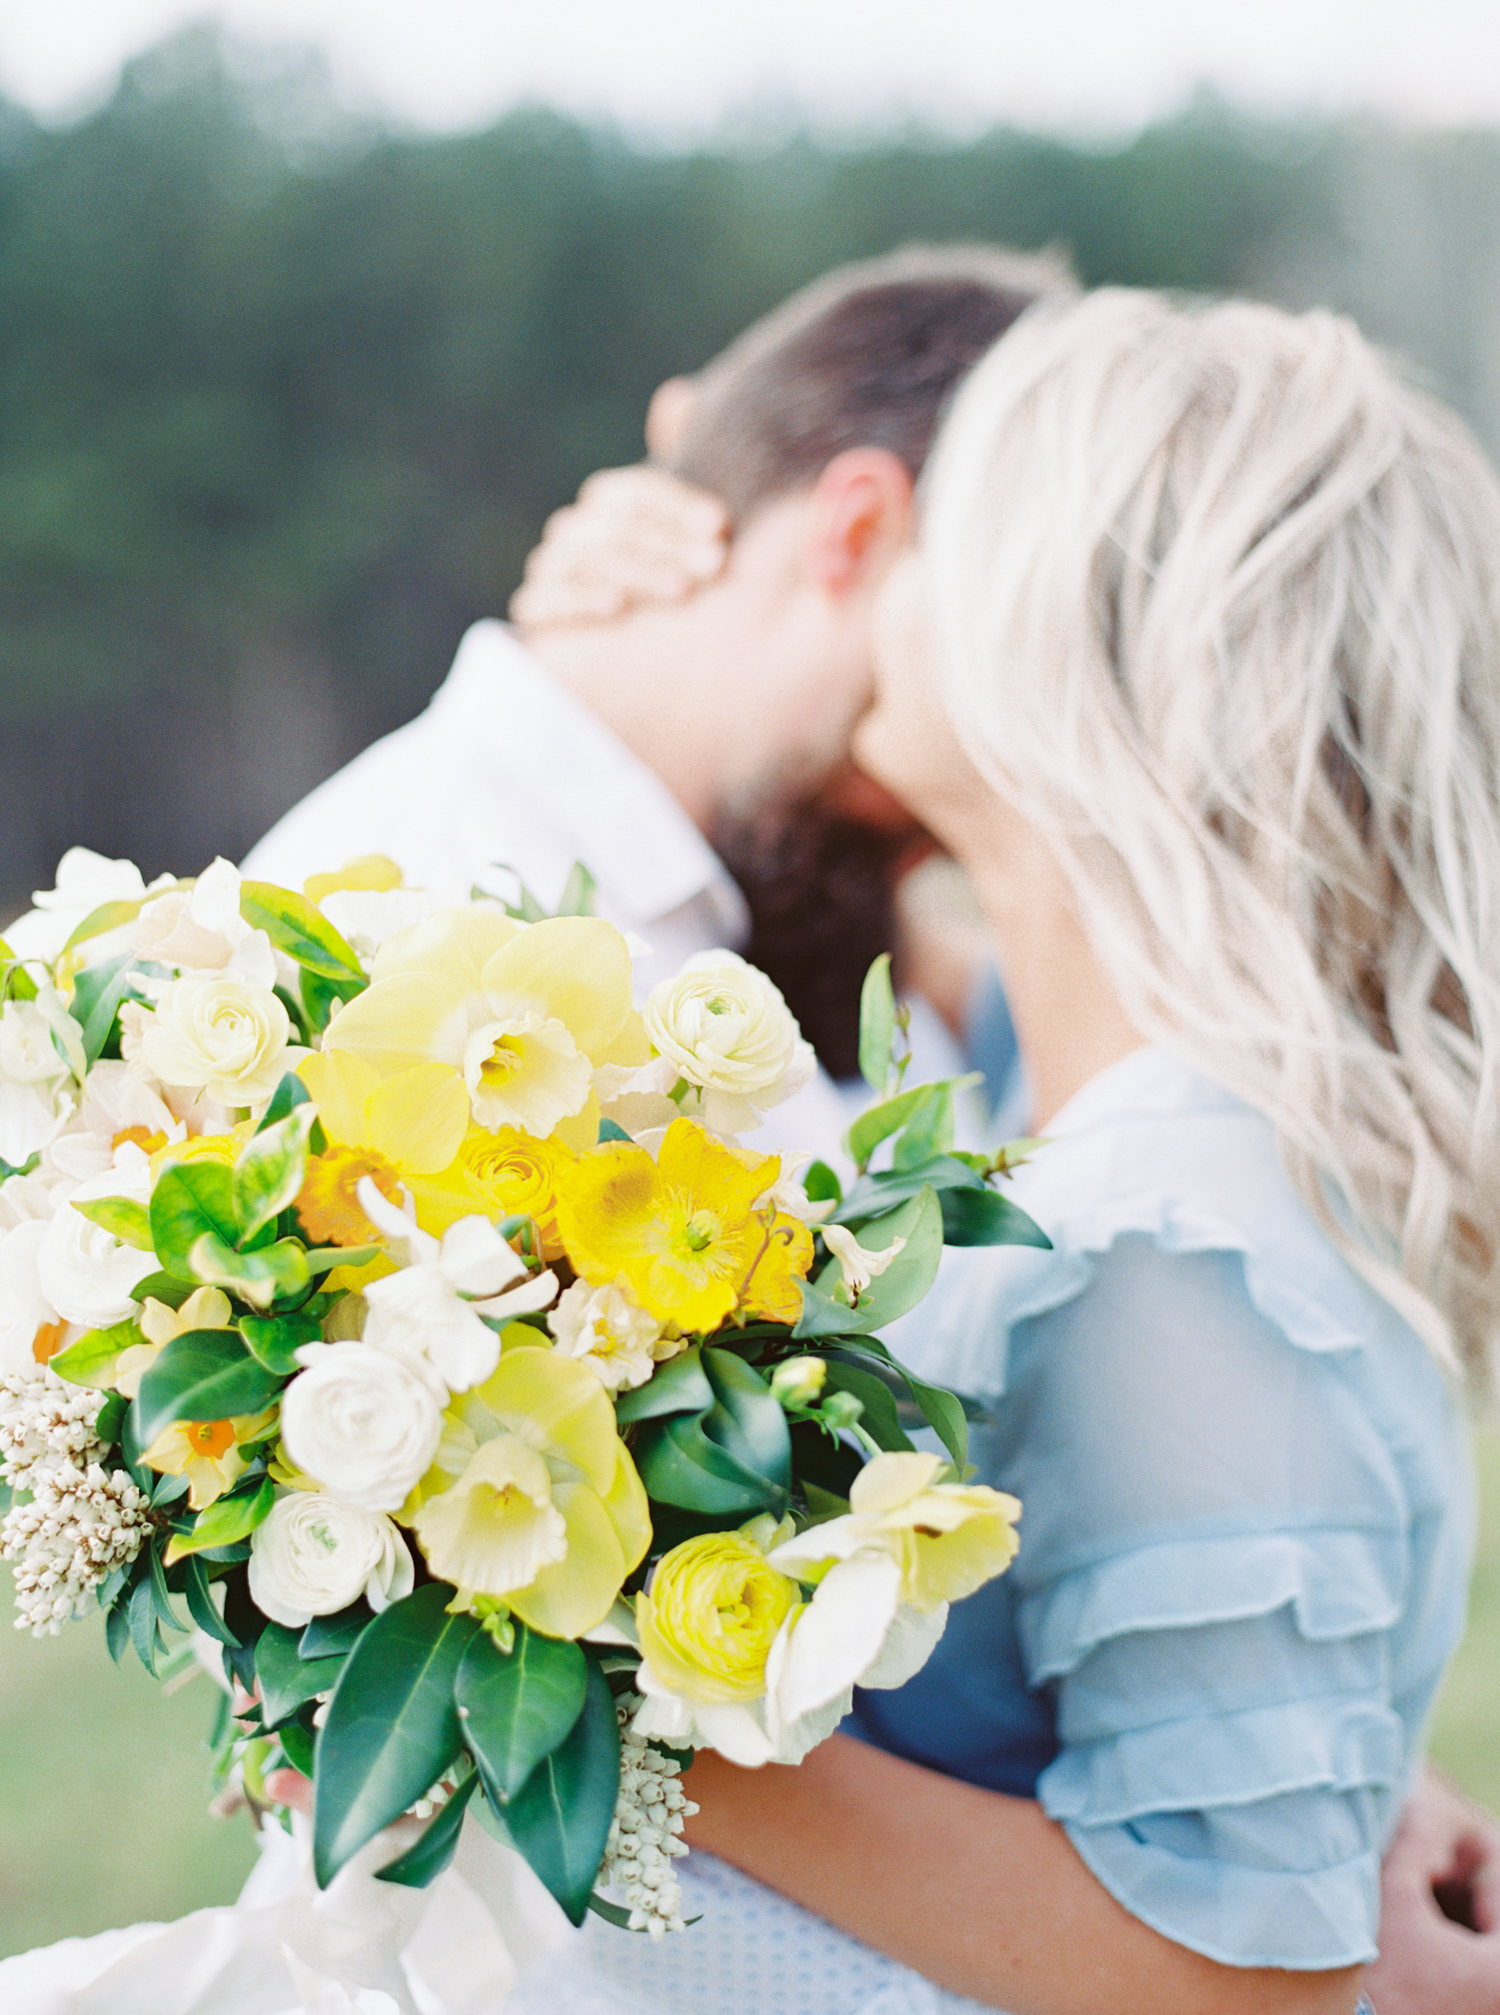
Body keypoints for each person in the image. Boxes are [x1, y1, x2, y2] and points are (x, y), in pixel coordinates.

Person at [500, 289, 1500, 2015]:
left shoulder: (1172, 1254)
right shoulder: (1070, 1111)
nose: (877, 553)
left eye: (953, 522)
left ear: (1078, 656)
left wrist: (597, 1725)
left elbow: (1233, 1983)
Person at [242, 244, 1071, 1120]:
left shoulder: (785, 903)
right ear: (859, 532)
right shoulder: (418, 967)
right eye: (1014, 652)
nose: (986, 764)